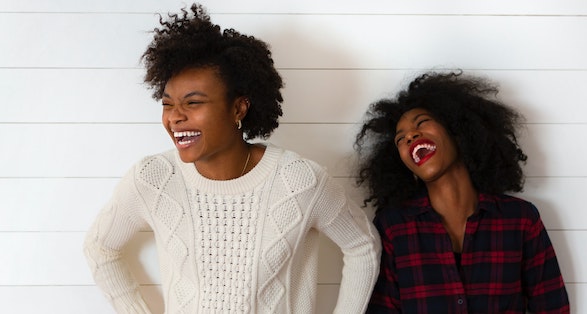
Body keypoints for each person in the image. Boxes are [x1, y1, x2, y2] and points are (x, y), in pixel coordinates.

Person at [83, 4, 379, 313]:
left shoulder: (299, 180)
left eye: (193, 102)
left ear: (238, 109)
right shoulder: (153, 178)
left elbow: (362, 246)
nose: (175, 117)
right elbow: (99, 248)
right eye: (168, 104)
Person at [355, 71, 570, 313]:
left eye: (421, 122)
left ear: (457, 129)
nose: (410, 136)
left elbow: (552, 307)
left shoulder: (520, 220)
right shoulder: (393, 227)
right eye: (400, 139)